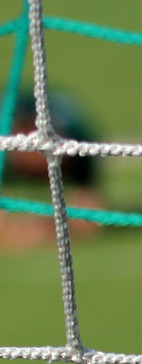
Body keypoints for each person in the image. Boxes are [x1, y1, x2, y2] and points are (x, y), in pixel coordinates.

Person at [2, 90, 104, 250]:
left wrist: (36, 231)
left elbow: (90, 222)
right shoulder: (6, 149)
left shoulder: (78, 150)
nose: (40, 148)